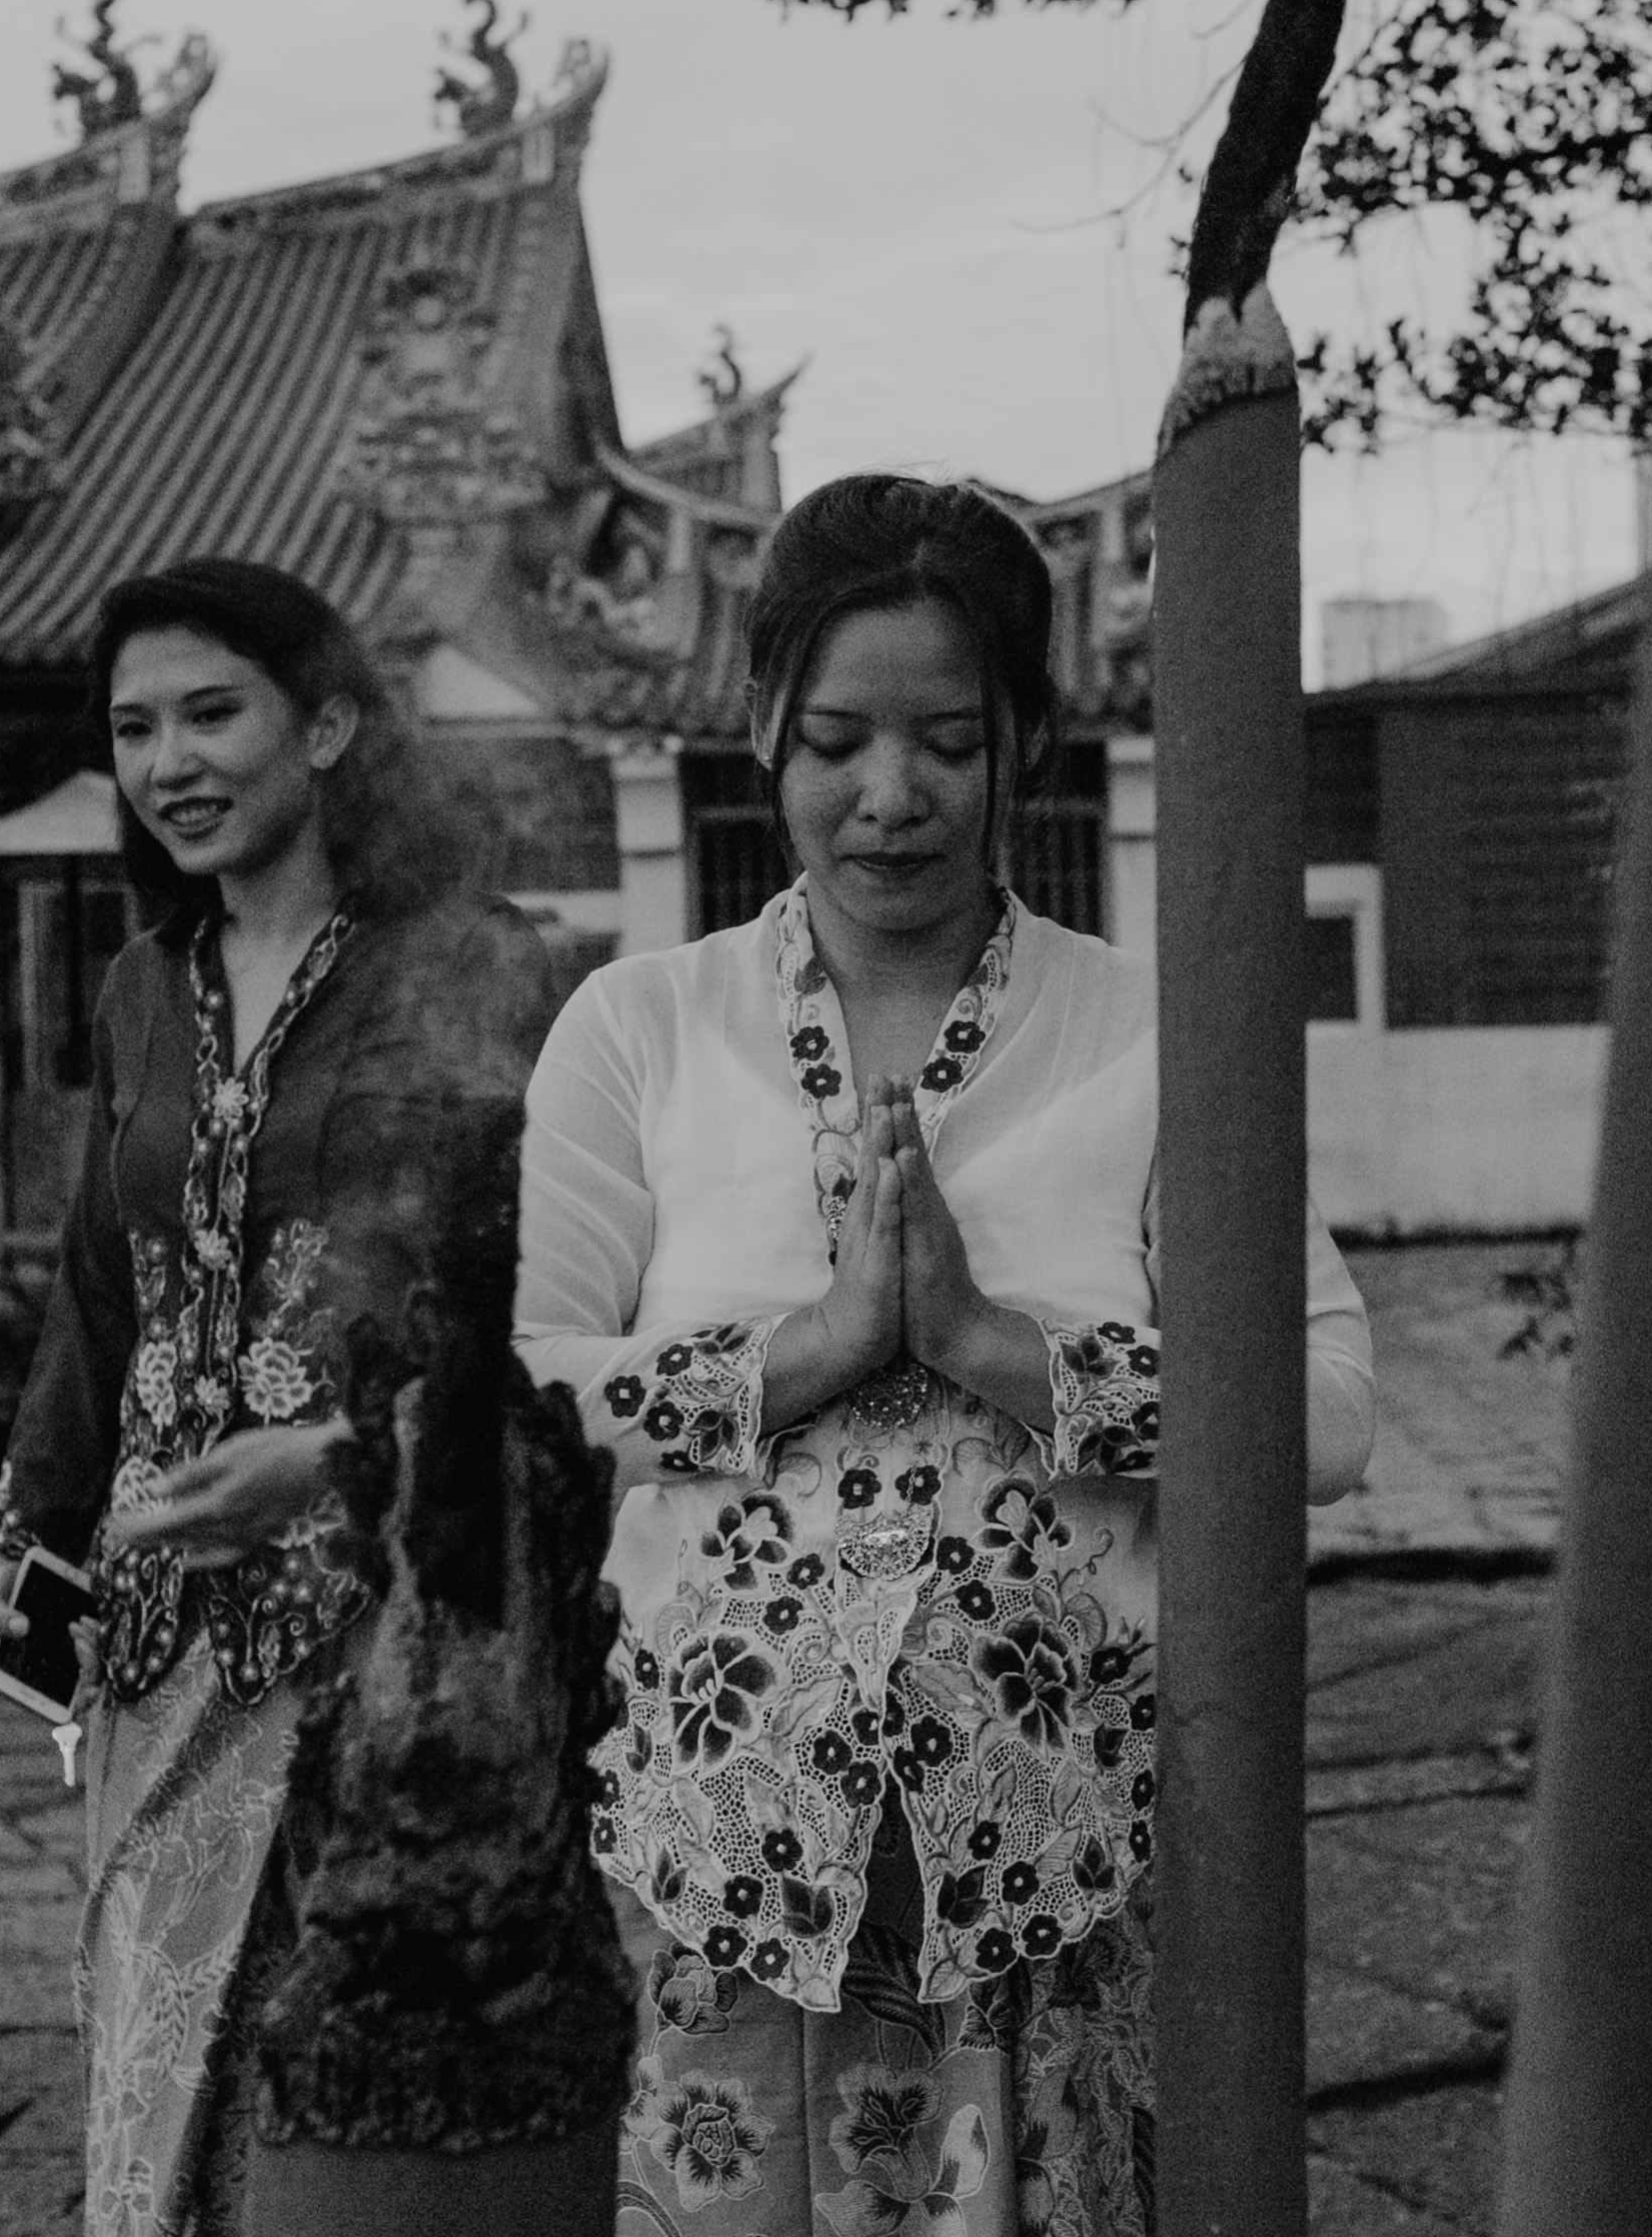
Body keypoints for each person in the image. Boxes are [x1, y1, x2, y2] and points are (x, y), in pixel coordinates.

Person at [517, 475, 1378, 2236]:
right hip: (715, 1846)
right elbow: (520, 1394)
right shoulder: (638, 1029)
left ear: (1027, 744)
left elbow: (1331, 1414)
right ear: (761, 726)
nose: (890, 796)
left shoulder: (1154, 1032)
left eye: (949, 742)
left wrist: (1001, 1351)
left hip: (1059, 1847)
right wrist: (808, 1352)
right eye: (837, 739)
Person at [0, 560, 632, 2237]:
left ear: (330, 725)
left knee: (345, 2097)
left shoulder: (476, 969)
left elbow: (538, 1303)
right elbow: (101, 1287)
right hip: (160, 1628)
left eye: (213, 712)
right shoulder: (141, 987)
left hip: (387, 1623)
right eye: (135, 728)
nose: (169, 762)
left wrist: (354, 1461)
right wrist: (34, 1526)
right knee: (158, 2085)